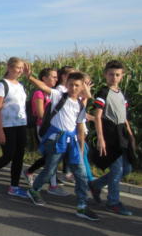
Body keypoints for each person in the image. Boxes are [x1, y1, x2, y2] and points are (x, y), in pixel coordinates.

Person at [25, 65, 99, 221]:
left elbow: (79, 126)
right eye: (71, 84)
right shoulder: (59, 95)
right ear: (67, 84)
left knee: (81, 174)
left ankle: (82, 206)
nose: (73, 87)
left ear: (81, 87)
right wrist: (30, 77)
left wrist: (80, 146)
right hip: (56, 140)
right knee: (50, 170)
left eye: (77, 85)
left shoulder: (80, 104)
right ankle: (34, 189)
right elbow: (43, 87)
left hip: (72, 141)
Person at [89, 60, 135, 216]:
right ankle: (113, 202)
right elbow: (97, 115)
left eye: (117, 75)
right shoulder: (103, 92)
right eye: (111, 74)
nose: (114, 77)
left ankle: (97, 185)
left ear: (122, 76)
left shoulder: (121, 93)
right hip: (110, 134)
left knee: (127, 168)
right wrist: (101, 138)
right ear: (105, 75)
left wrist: (130, 133)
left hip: (122, 133)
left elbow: (124, 115)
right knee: (117, 169)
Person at [0, 57, 29, 198]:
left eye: (22, 68)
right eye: (18, 67)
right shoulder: (2, 85)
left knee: (19, 157)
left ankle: (14, 187)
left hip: (21, 124)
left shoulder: (20, 85)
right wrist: (0, 130)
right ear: (9, 67)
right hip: (7, 126)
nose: (20, 70)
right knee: (8, 155)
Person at [22, 68, 68, 196]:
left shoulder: (53, 93)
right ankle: (52, 186)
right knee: (51, 157)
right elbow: (41, 114)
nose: (56, 79)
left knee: (51, 157)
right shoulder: (39, 93)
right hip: (44, 128)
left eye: (56, 77)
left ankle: (30, 171)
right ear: (44, 79)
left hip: (53, 128)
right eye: (53, 77)